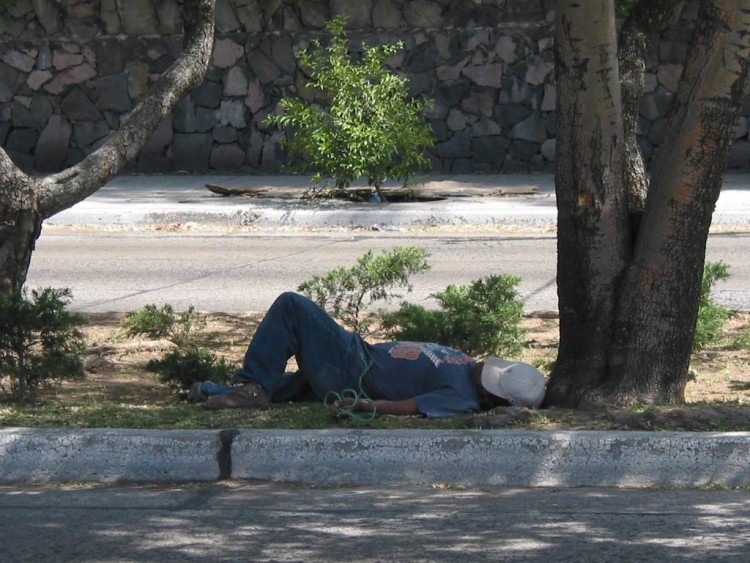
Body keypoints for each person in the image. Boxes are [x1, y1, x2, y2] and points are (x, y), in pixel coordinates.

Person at [189, 291, 546, 418]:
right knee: (293, 388)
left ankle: (252, 388)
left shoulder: (461, 398)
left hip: (352, 369)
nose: (487, 367)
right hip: (355, 362)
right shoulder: (467, 367)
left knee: (291, 306)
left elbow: (408, 406)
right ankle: (211, 391)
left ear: (493, 398)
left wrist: (363, 406)